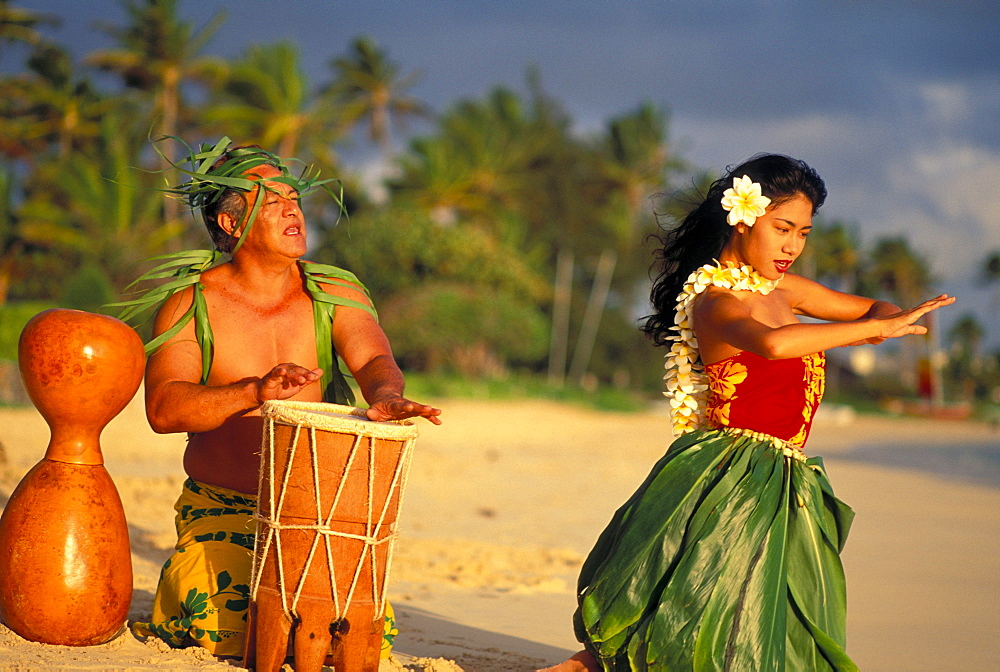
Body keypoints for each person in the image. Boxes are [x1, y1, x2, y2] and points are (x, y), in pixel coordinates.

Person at [542, 154, 954, 671]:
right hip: (731, 475)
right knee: (698, 606)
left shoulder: (788, 291)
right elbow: (774, 346)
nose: (792, 246)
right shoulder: (715, 300)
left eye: (803, 233)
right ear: (741, 216)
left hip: (789, 477)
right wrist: (874, 331)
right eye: (782, 228)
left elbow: (873, 309)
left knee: (767, 622)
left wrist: (894, 319)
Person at [124, 139, 441, 659]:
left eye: (292, 196)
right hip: (223, 509)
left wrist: (386, 396)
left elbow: (373, 361)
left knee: (345, 642)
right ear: (230, 224)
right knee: (231, 629)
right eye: (270, 200)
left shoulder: (334, 292)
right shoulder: (191, 301)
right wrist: (254, 391)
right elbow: (164, 408)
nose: (292, 207)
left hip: (311, 513)